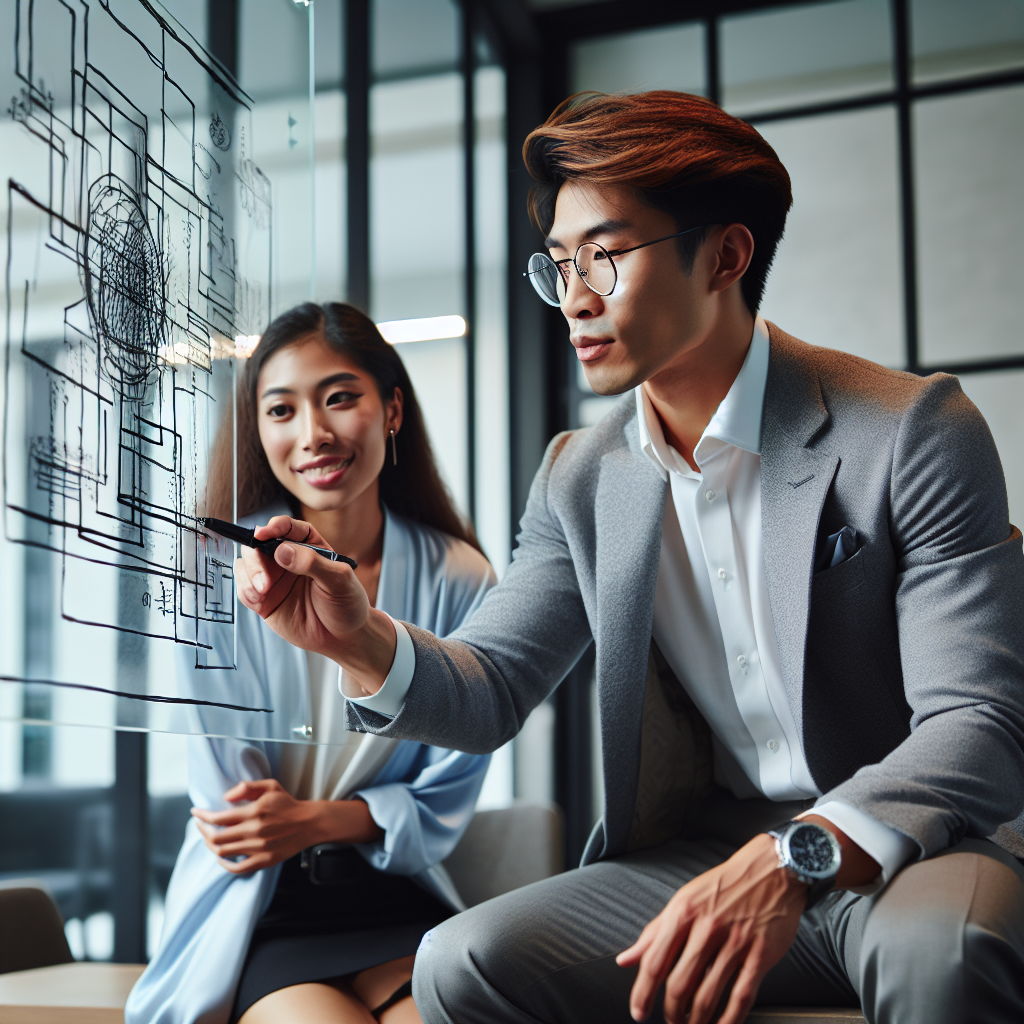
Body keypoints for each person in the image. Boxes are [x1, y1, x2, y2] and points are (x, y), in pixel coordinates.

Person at [230, 92, 1024, 1024]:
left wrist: (795, 857)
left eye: (604, 256)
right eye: (560, 263)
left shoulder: (911, 431)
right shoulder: (580, 474)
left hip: (912, 845)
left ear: (726, 256)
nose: (575, 296)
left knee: (945, 952)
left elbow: (979, 721)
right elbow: (490, 687)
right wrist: (358, 640)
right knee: (461, 962)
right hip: (705, 852)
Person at [125, 303, 496, 1024]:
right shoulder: (211, 572)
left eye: (339, 398)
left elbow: (448, 790)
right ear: (258, 430)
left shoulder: (459, 578)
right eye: (281, 410)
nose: (313, 433)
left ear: (392, 411)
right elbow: (239, 819)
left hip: (393, 895)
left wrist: (317, 820)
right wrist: (323, 822)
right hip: (260, 906)